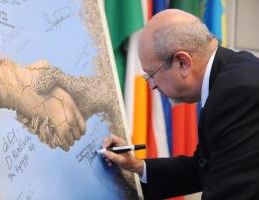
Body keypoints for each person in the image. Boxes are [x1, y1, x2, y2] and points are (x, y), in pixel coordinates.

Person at [102, 9, 259, 200]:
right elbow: (203, 167)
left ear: (183, 62)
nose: (152, 86)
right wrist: (137, 166)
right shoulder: (229, 75)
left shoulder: (237, 94)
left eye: (151, 75)